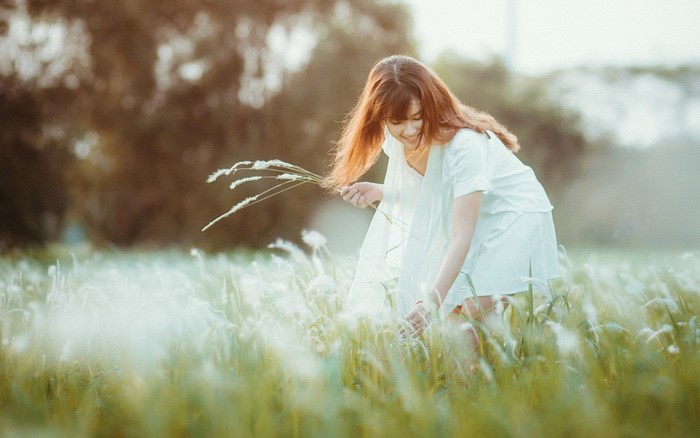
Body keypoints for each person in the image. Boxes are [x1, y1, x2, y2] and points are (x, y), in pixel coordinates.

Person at [323, 55, 559, 338]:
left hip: (514, 217)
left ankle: (488, 377)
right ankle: (482, 376)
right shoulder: (397, 143)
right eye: (397, 121)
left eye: (417, 117)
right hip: (473, 214)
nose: (409, 131)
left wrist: (429, 304)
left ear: (432, 105)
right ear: (380, 116)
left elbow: (461, 235)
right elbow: (436, 192)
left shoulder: (466, 146)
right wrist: (382, 192)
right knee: (454, 324)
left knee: (468, 314)